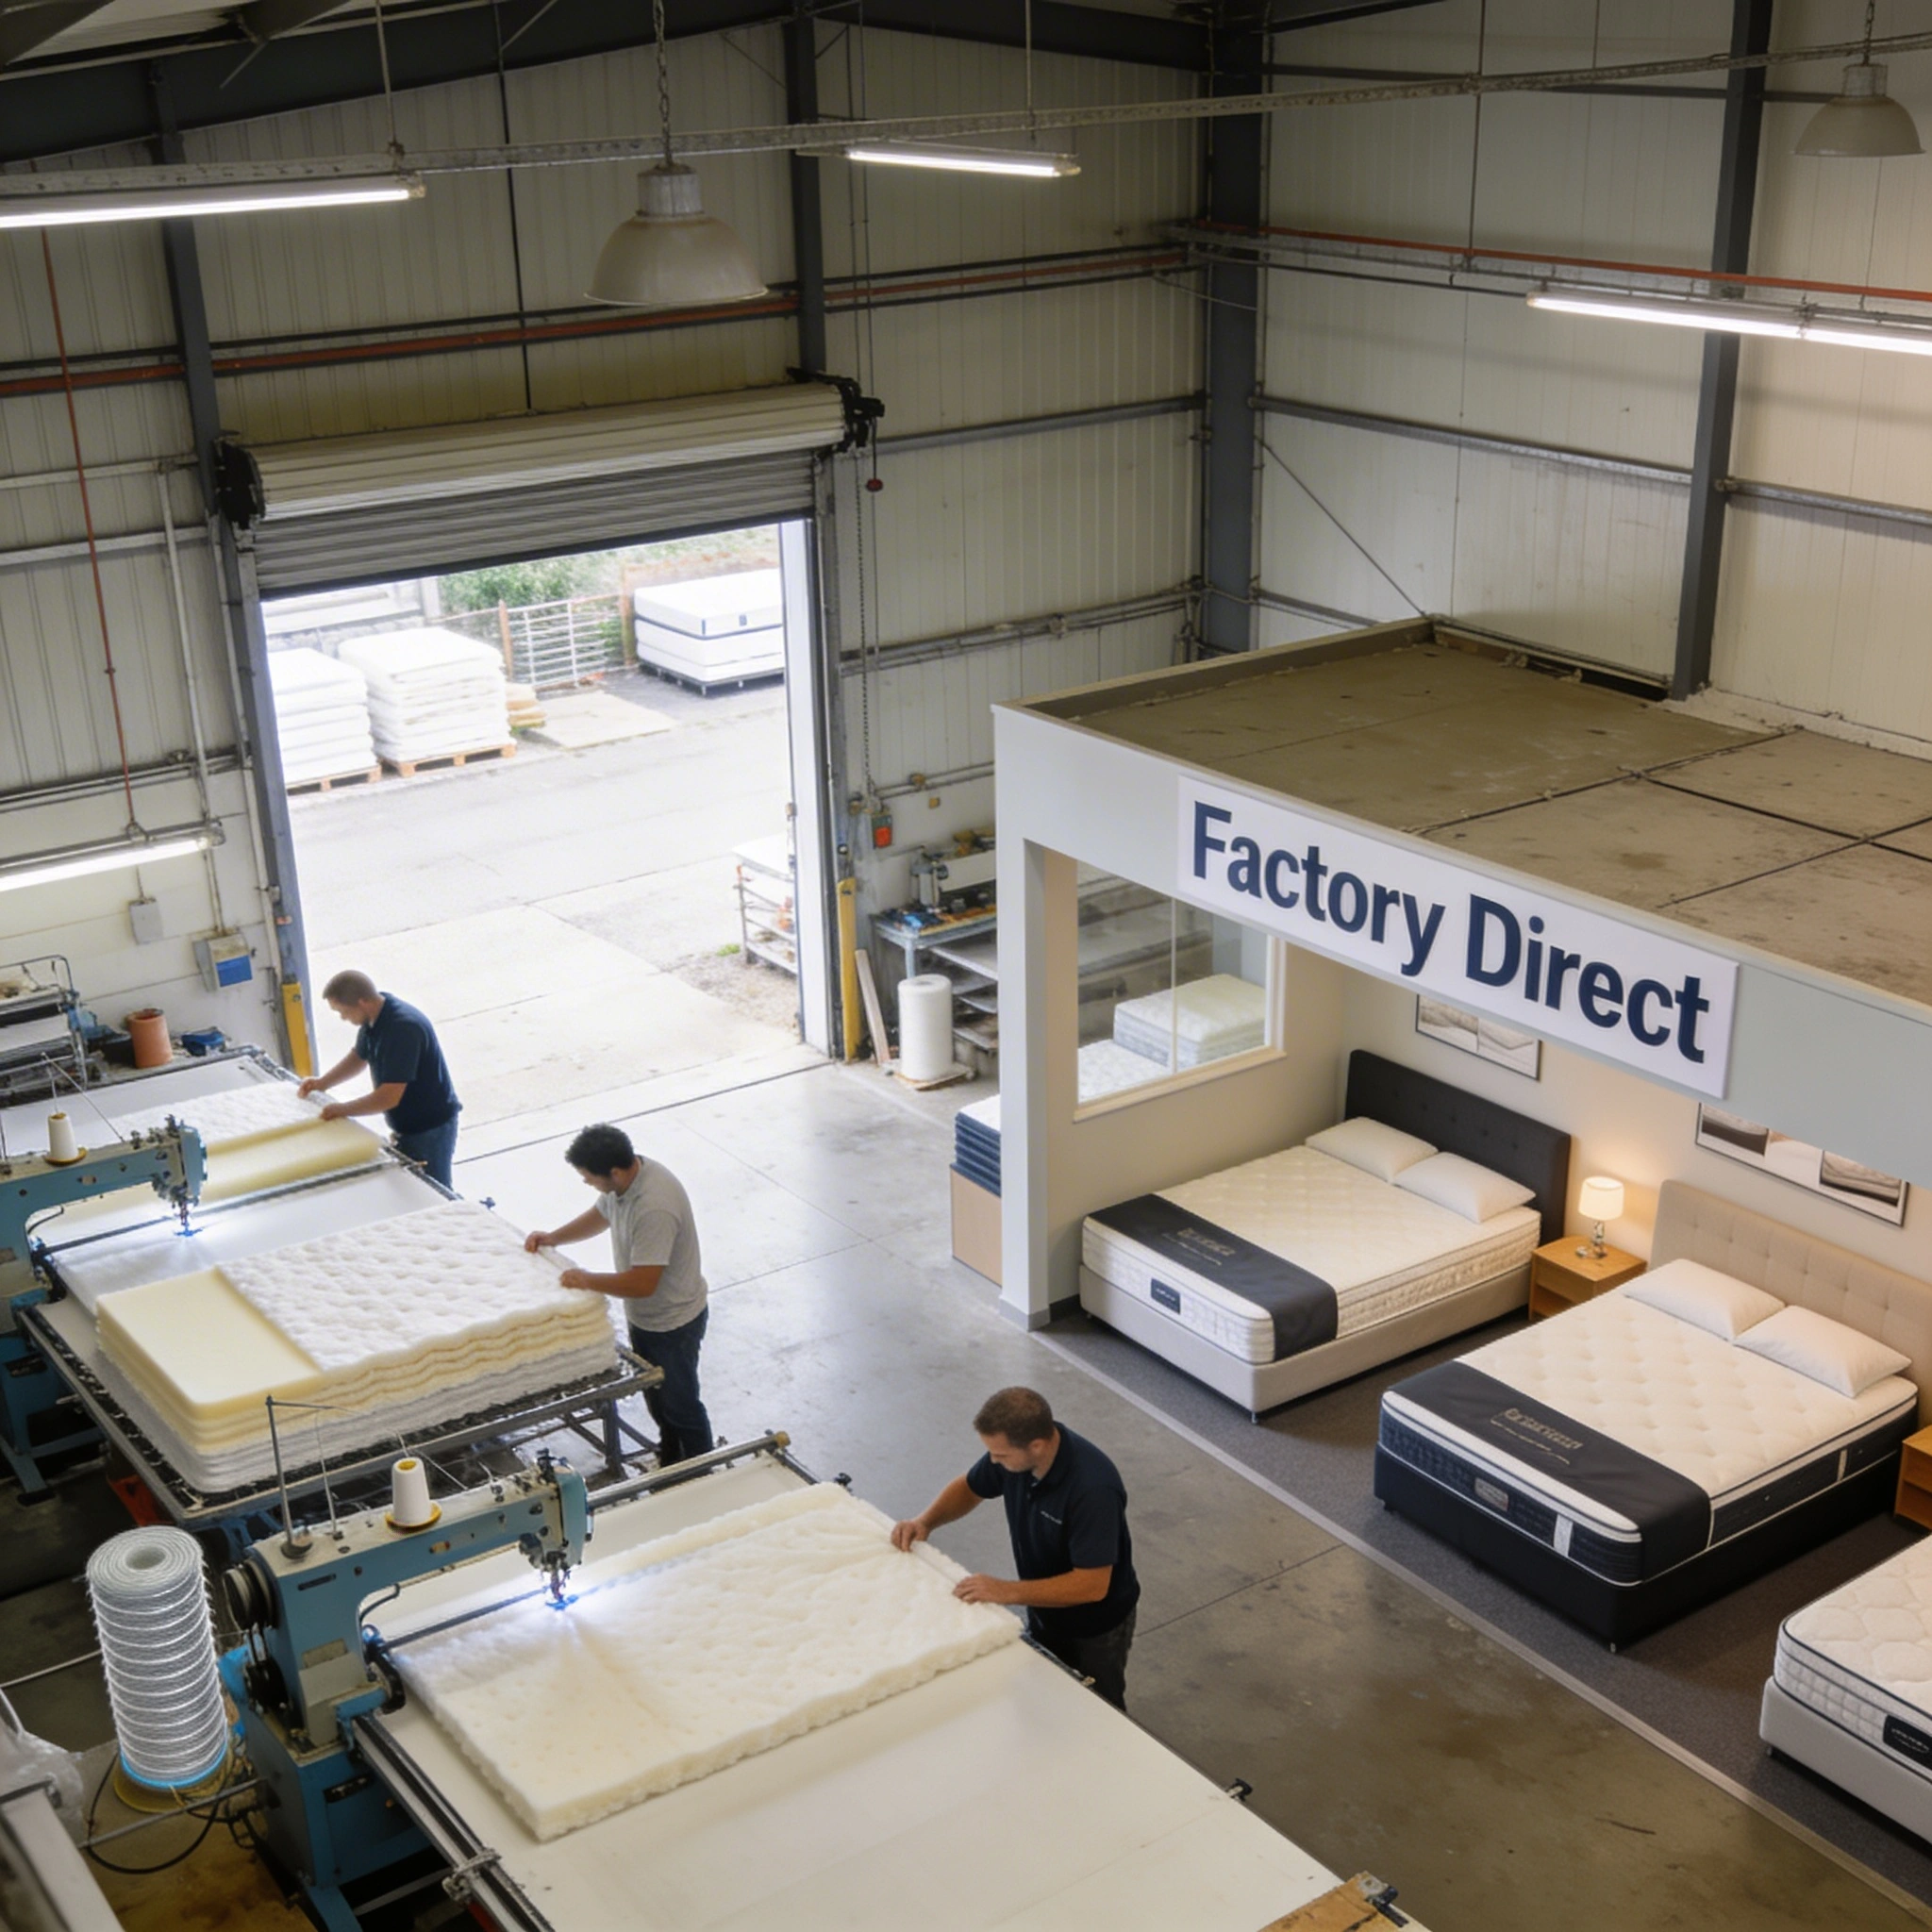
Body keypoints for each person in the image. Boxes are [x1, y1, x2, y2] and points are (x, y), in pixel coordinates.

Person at [891, 1387, 1140, 1710]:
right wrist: (925, 1522)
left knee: (1098, 1706)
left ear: (1036, 1445)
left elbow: (1092, 1585)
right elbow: (970, 1486)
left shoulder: (1092, 1489)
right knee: (1048, 1689)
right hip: (1042, 1607)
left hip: (1094, 1628)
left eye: (1001, 1455)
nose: (994, 1461)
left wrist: (1006, 1591)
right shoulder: (1015, 1458)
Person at [523, 1123, 714, 1468]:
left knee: (681, 1406)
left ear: (613, 1171)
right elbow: (600, 1215)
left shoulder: (654, 1205)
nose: (586, 1183)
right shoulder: (624, 1182)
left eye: (588, 1177)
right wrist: (553, 1238)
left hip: (674, 1322)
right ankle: (672, 1461)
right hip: (648, 1317)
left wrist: (587, 1280)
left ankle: (704, 1471)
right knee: (660, 1402)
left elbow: (642, 1284)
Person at [297, 971, 462, 1188]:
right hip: (409, 1127)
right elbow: (359, 1056)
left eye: (343, 1012)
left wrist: (342, 1109)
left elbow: (388, 1097)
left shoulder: (402, 1029)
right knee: (412, 1187)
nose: (343, 1018)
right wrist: (322, 1083)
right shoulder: (375, 1018)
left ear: (362, 1002)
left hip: (429, 1129)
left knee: (433, 1191)